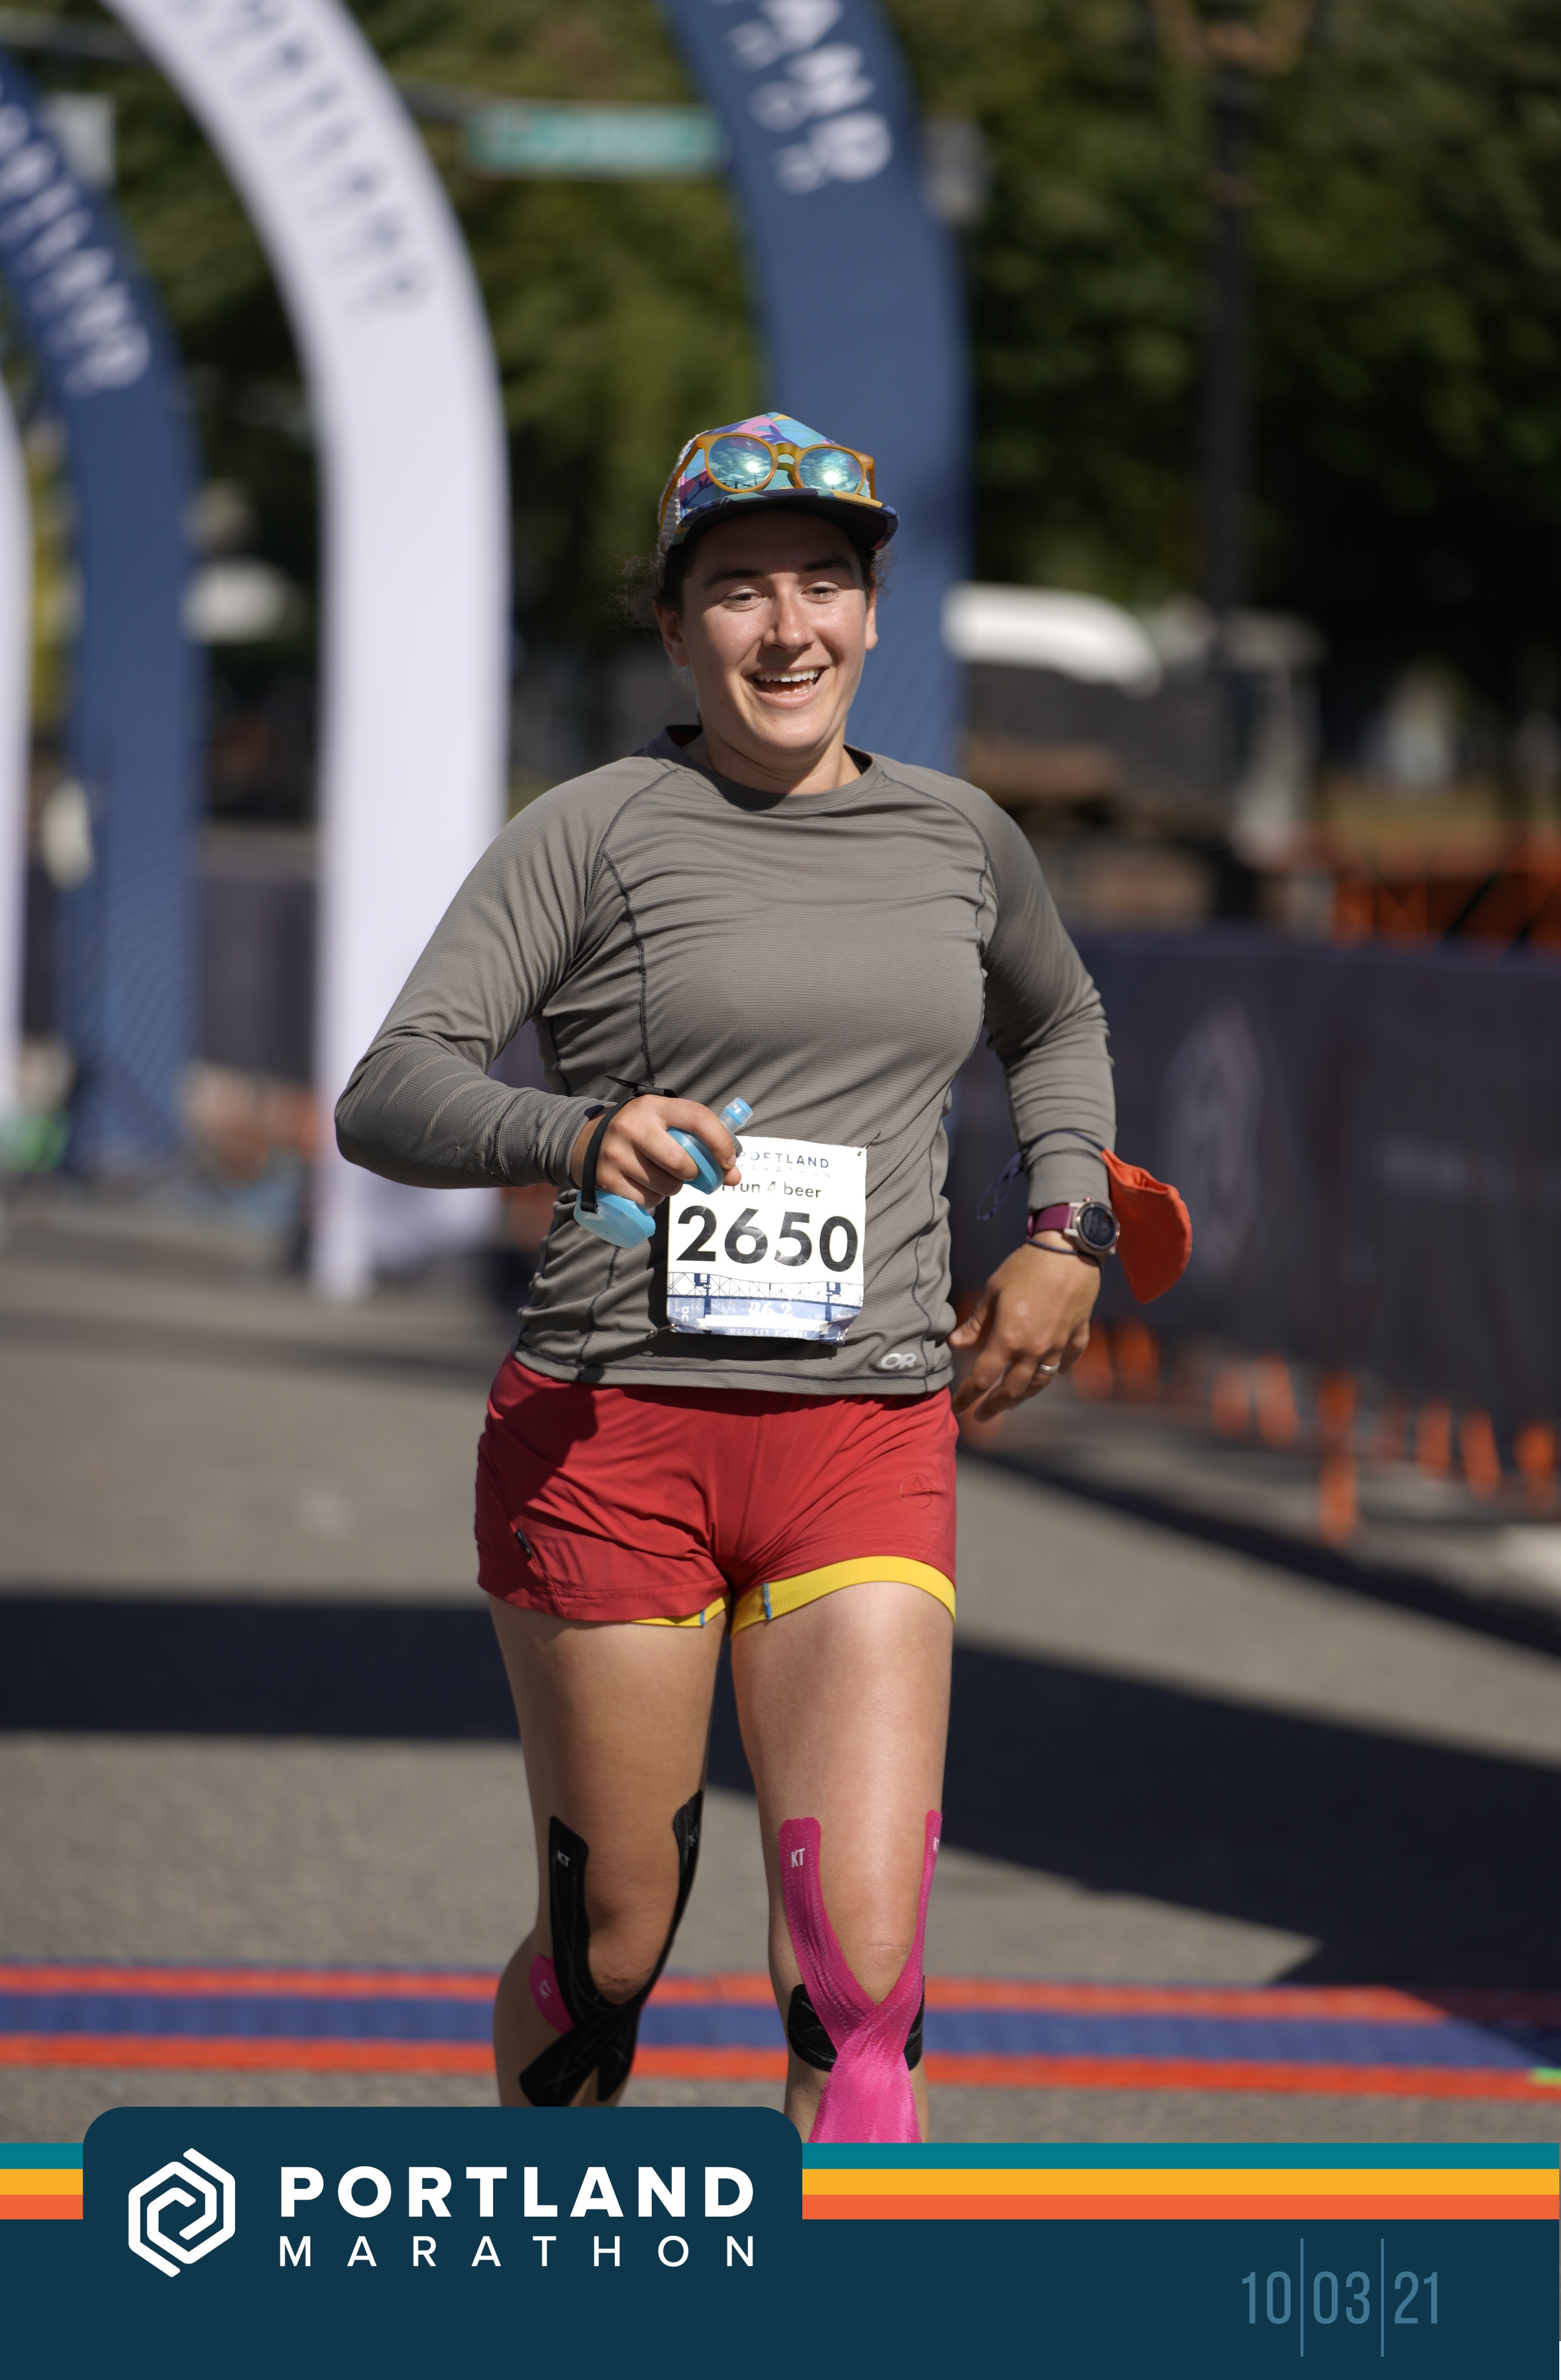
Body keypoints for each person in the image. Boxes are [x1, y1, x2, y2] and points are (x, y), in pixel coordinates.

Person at [335, 411, 1117, 2141]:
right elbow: (387, 1091)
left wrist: (1068, 1229)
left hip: (863, 1434)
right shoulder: (594, 828)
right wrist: (574, 1132)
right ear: (677, 626)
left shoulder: (959, 836)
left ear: (873, 614)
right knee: (612, 1944)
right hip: (614, 1435)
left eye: (823, 584)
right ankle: (561, 2230)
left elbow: (1058, 1017)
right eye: (741, 591)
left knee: (863, 1984)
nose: (788, 628)